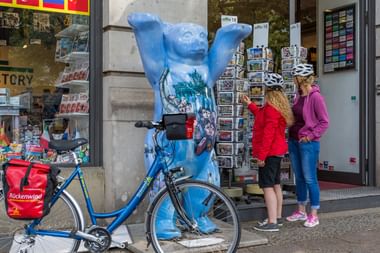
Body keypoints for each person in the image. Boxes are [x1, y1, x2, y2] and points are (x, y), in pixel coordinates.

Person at [242, 73, 294, 232]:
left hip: (269, 153)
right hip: (277, 152)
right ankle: (276, 218)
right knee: (276, 184)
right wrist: (250, 104)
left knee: (267, 186)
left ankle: (271, 222)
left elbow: (268, 135)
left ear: (268, 91)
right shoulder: (275, 107)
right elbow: (261, 116)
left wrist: (261, 157)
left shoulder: (271, 109)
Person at [286, 63, 329, 228]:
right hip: (294, 140)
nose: (294, 79)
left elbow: (324, 122)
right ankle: (301, 210)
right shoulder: (298, 95)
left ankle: (314, 215)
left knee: (310, 178)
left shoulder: (316, 97)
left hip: (308, 143)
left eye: (295, 77)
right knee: (300, 177)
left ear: (301, 78)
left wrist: (310, 136)